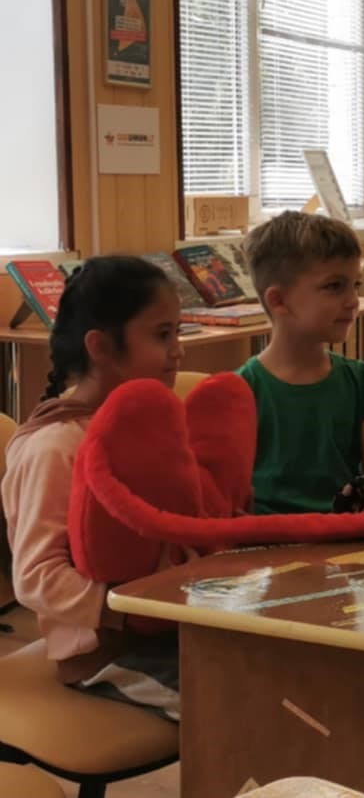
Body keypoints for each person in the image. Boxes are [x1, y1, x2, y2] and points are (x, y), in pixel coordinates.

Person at [1, 257, 184, 719]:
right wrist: (127, 611)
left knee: (283, 669)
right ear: (101, 347)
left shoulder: (153, 427)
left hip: (175, 628)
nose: (178, 351)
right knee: (245, 705)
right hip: (107, 654)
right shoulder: (55, 446)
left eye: (177, 332)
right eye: (163, 335)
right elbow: (36, 577)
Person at [238, 212, 364, 514]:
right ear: (278, 301)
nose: (353, 300)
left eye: (355, 285)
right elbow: (229, 502)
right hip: (266, 538)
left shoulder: (362, 381)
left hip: (345, 536)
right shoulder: (241, 390)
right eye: (334, 286)